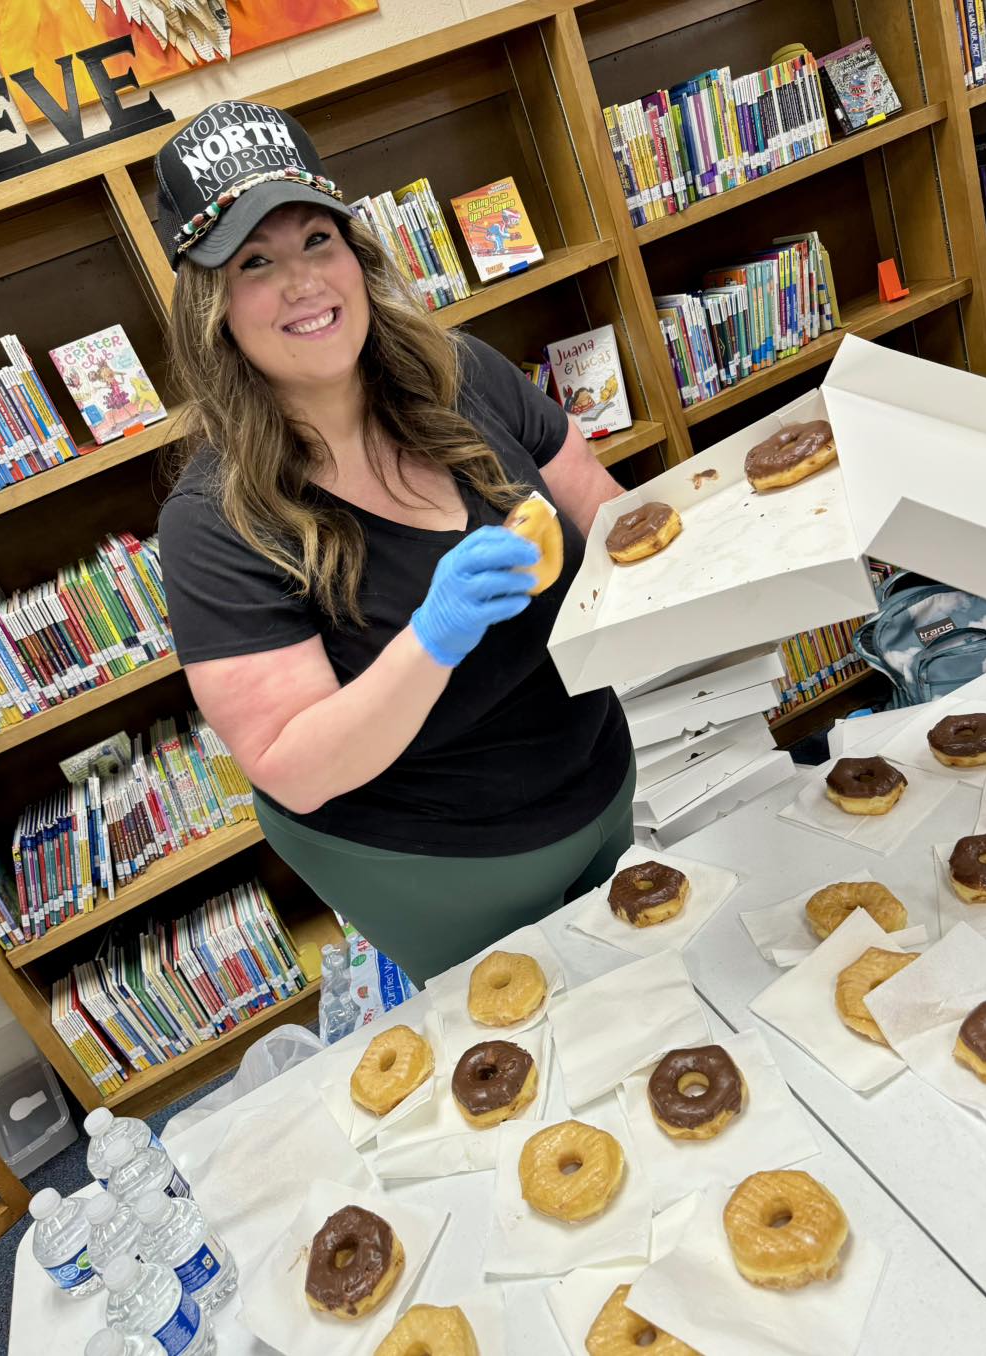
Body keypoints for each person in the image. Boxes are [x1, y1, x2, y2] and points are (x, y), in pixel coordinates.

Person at [153, 100, 635, 985]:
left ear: (357, 255)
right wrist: (432, 637)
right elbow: (293, 767)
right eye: (256, 262)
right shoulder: (212, 520)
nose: (303, 283)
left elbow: (607, 509)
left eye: (317, 242)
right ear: (214, 308)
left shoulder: (462, 371)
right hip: (441, 862)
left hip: (598, 767)